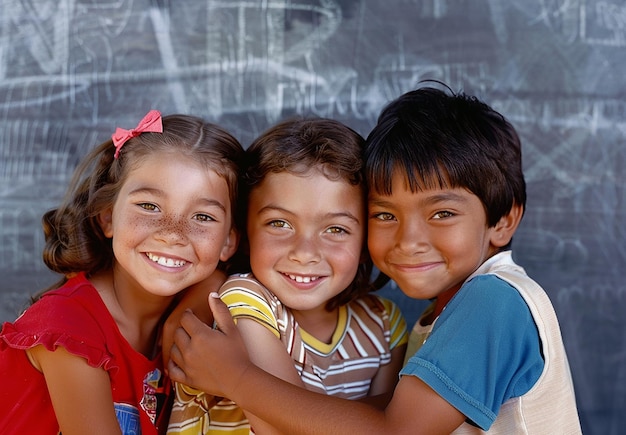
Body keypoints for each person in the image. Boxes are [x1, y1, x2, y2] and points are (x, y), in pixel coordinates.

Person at [167, 87, 582, 434]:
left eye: (442, 213)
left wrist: (236, 378)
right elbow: (379, 413)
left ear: (503, 220)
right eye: (386, 215)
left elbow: (393, 431)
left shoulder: (494, 302)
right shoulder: (450, 311)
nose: (409, 240)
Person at [0, 110, 244, 435]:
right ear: (107, 217)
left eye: (202, 217)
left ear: (228, 242)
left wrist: (208, 287)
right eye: (149, 206)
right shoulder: (68, 329)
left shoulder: (196, 314)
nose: (172, 234)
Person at [166, 118, 408, 435]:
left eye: (336, 229)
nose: (305, 252)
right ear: (245, 232)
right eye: (279, 224)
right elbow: (286, 427)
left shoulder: (385, 325)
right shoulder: (243, 299)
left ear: (365, 241)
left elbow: (394, 428)